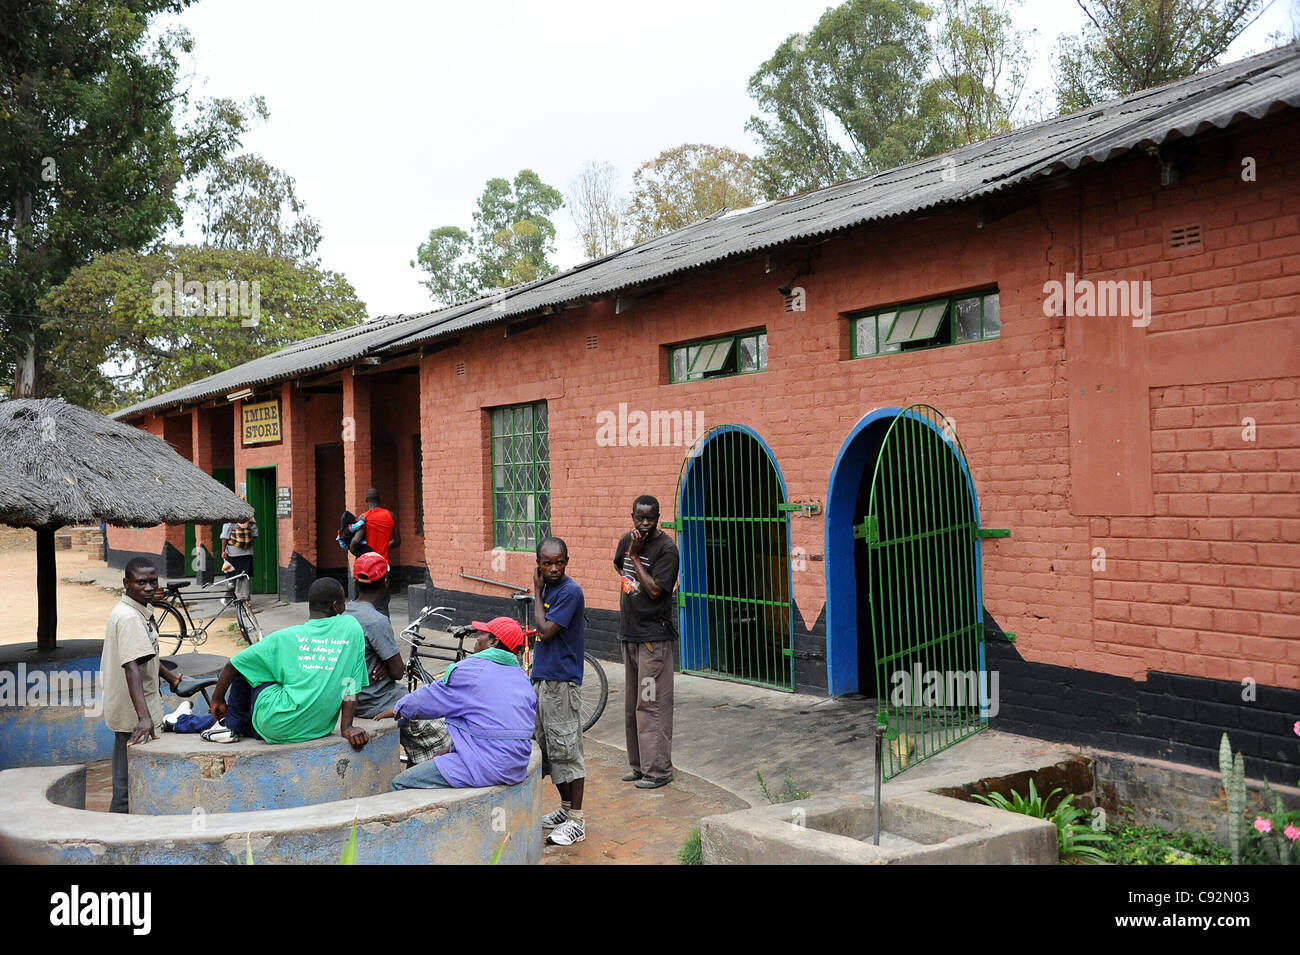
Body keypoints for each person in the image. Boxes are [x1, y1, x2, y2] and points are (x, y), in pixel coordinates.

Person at [205, 577, 369, 749]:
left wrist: (217, 699)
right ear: (334, 606)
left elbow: (233, 664)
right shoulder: (351, 628)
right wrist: (347, 727)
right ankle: (215, 724)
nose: (345, 608)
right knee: (253, 677)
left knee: (248, 668)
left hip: (272, 724)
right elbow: (350, 682)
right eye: (344, 603)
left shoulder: (285, 637)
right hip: (315, 728)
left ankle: (229, 727)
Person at [376, 617, 536, 790]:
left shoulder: (472, 669)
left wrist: (399, 708)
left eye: (482, 634)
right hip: (516, 765)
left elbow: (431, 698)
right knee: (441, 757)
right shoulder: (523, 678)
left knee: (399, 783)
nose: (477, 638)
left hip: (487, 765)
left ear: (493, 642)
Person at [344, 552, 450, 765]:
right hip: (378, 701)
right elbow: (397, 671)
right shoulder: (376, 621)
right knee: (444, 737)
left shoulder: (344, 614)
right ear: (385, 583)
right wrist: (386, 663)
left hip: (352, 698)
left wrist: (381, 662)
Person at [101, 557, 189, 812]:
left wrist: (170, 677)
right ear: (126, 583)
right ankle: (118, 837)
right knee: (127, 786)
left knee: (129, 779)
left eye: (153, 581)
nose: (149, 587)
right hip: (135, 716)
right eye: (141, 583)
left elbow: (144, 655)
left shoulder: (137, 611)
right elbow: (131, 668)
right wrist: (144, 717)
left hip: (137, 712)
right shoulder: (129, 618)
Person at [613, 494, 680, 789]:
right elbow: (619, 565)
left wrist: (637, 557)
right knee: (632, 707)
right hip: (630, 635)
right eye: (639, 517)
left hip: (654, 640)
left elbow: (655, 591)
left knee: (651, 706)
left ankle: (659, 771)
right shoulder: (627, 539)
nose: (644, 523)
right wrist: (631, 576)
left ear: (658, 517)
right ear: (632, 516)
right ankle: (639, 766)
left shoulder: (667, 549)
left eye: (650, 518)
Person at [530, 536, 587, 846]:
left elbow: (545, 631)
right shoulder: (550, 589)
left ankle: (577, 819)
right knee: (549, 751)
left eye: (559, 562)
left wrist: (537, 592)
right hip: (543, 679)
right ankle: (565, 811)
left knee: (568, 750)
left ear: (567, 560)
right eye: (547, 563)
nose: (553, 568)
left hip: (562, 683)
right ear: (538, 563)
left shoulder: (569, 592)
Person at [344, 488, 399, 616]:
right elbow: (397, 541)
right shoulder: (391, 516)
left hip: (365, 568)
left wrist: (354, 550)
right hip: (383, 567)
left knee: (362, 603)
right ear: (380, 499)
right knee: (382, 605)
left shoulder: (364, 518)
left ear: (366, 500)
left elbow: (356, 541)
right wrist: (383, 547)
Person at [219, 514, 258, 587]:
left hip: (232, 553)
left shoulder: (229, 520)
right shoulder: (250, 520)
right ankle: (245, 597)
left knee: (231, 574)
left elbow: (225, 537)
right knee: (245, 575)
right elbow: (255, 535)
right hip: (247, 553)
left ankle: (230, 594)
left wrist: (223, 551)